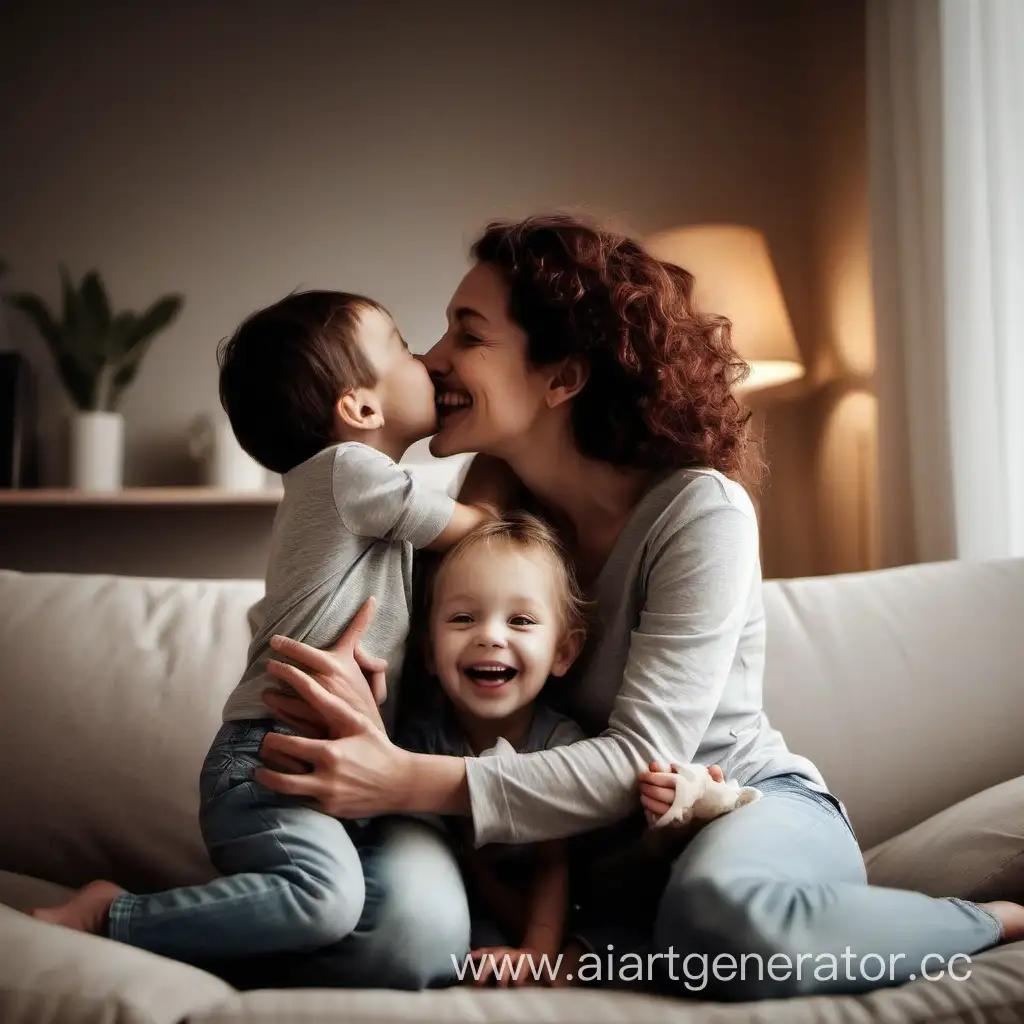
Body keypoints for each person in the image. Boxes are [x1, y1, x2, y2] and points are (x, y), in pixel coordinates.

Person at [254, 214, 1024, 999]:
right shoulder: (482, 518)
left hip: (733, 808)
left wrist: (404, 780)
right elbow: (423, 692)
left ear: (563, 378)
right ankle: (606, 947)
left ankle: (982, 922)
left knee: (727, 915)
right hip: (575, 862)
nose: (432, 358)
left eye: (469, 335)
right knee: (416, 938)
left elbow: (634, 760)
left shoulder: (702, 513)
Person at [32, 290, 495, 976]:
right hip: (270, 762)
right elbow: (480, 527)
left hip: (331, 763)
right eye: (400, 345)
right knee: (323, 902)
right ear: (360, 408)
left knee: (371, 919)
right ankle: (114, 915)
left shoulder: (356, 486)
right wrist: (509, 464)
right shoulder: (350, 472)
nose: (426, 357)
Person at [400, 510, 587, 986]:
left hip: (558, 913)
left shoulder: (562, 746)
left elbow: (554, 864)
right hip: (463, 912)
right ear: (428, 651)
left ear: (563, 652)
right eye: (463, 618)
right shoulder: (421, 744)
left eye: (521, 620)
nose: (490, 636)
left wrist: (536, 952)